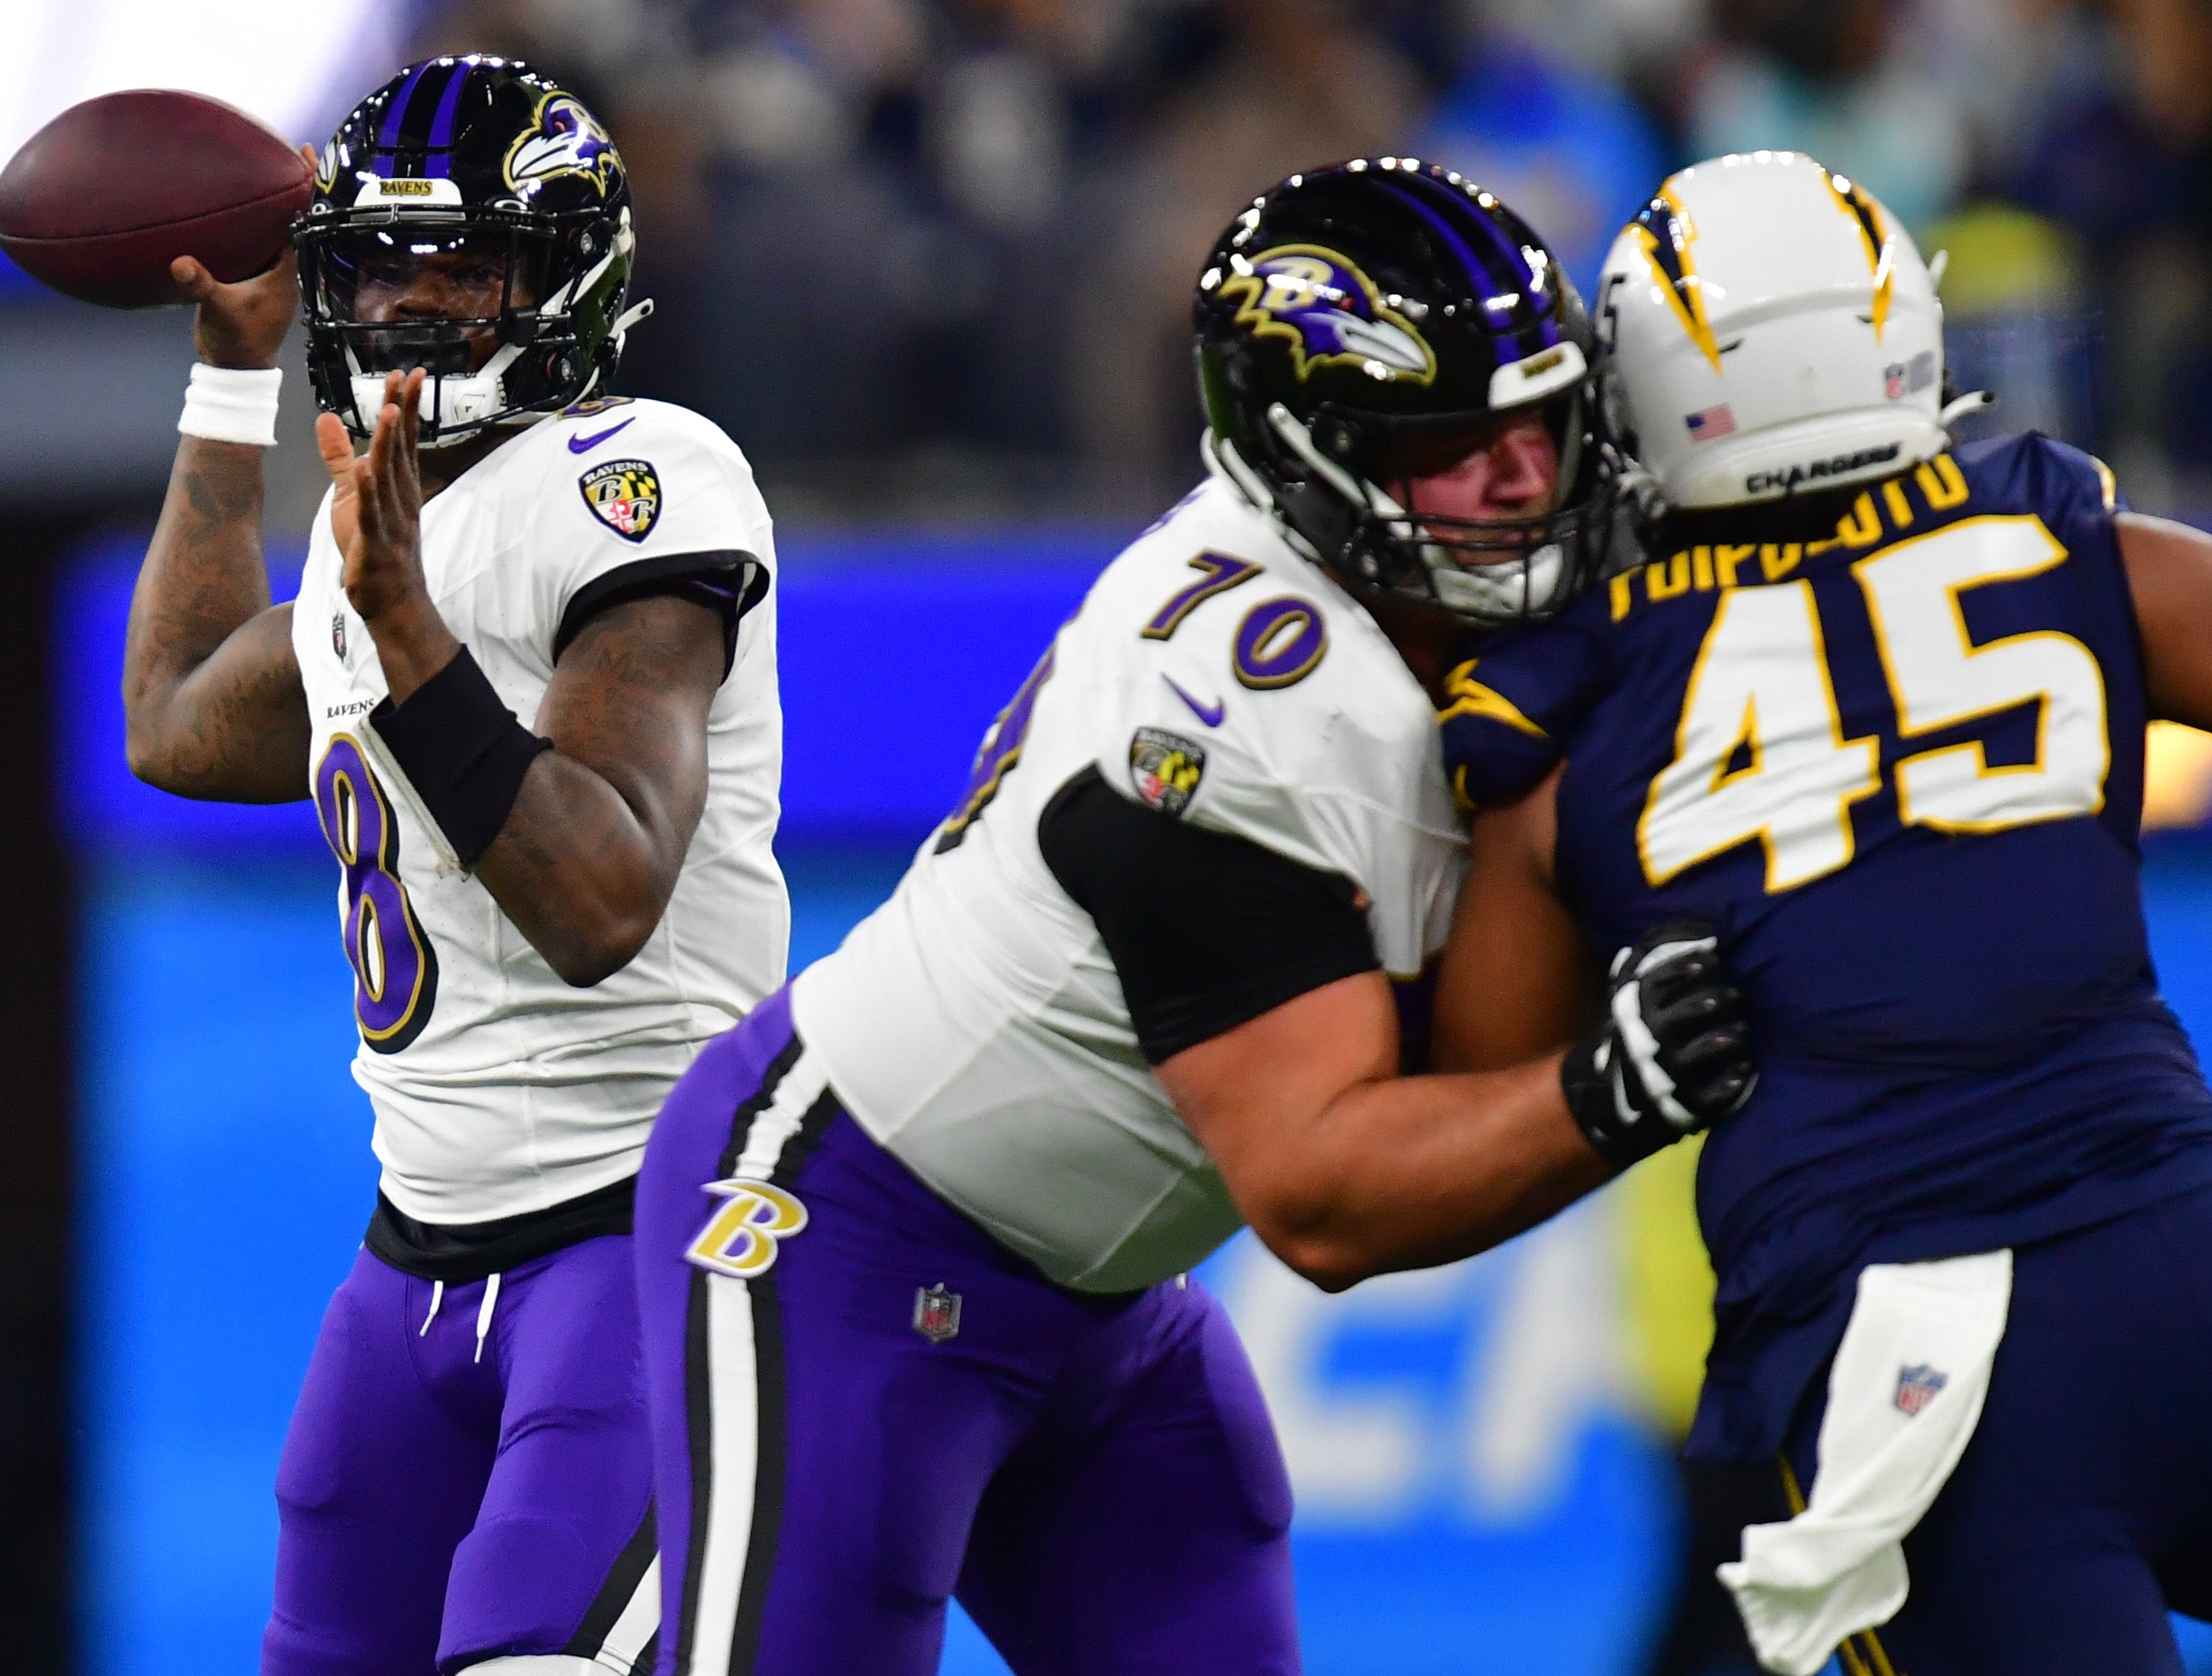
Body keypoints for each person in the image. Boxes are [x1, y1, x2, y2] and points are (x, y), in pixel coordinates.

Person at [631, 159, 1755, 1676]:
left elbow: (1475, 1033)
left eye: (1534, 426)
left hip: (1100, 1293)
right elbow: (1321, 1197)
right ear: (1308, 456)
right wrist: (1609, 1093)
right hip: (843, 1232)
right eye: (1447, 446)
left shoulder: (1489, 560)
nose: (1514, 482)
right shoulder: (1228, 710)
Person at [1438, 151, 2212, 1676]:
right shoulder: (2061, 539)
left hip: (1902, 1355)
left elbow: (1474, 1080)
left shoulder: (1567, 699)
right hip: (2169, 1241)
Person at [120, 56, 787, 1676]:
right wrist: (232, 378)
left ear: (563, 276)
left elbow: (600, 898)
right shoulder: (382, 535)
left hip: (640, 1230)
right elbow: (170, 723)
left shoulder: (634, 473)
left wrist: (407, 625)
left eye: (462, 261)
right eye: (378, 265)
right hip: (410, 1258)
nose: (413, 305)